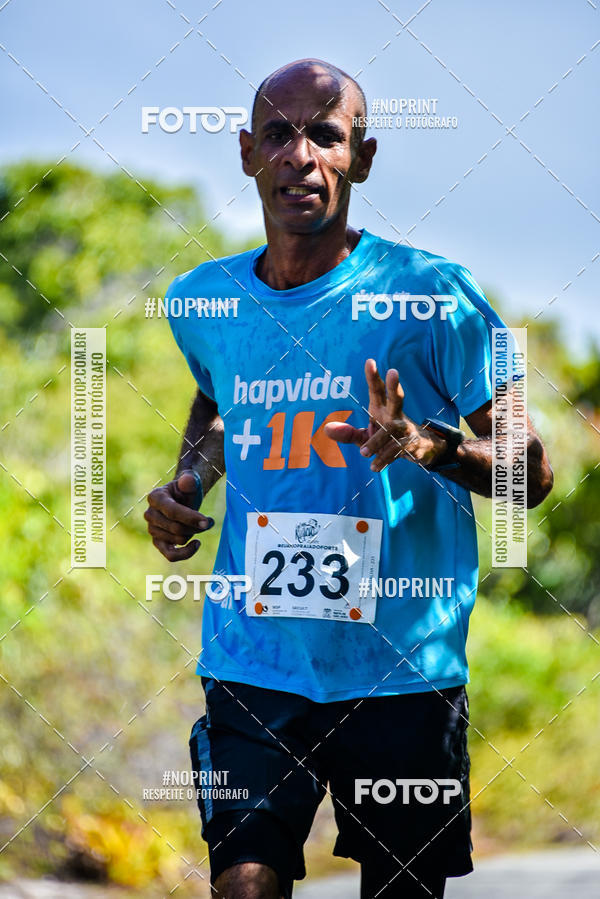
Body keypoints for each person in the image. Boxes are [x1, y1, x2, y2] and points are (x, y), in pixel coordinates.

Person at [145, 59, 553, 899]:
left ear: (361, 158)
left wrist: (424, 445)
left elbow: (532, 472)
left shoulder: (435, 295)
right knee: (242, 884)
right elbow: (220, 401)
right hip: (253, 658)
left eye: (326, 135)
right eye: (279, 135)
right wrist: (187, 483)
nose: (301, 154)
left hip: (404, 668)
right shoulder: (204, 299)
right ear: (248, 155)